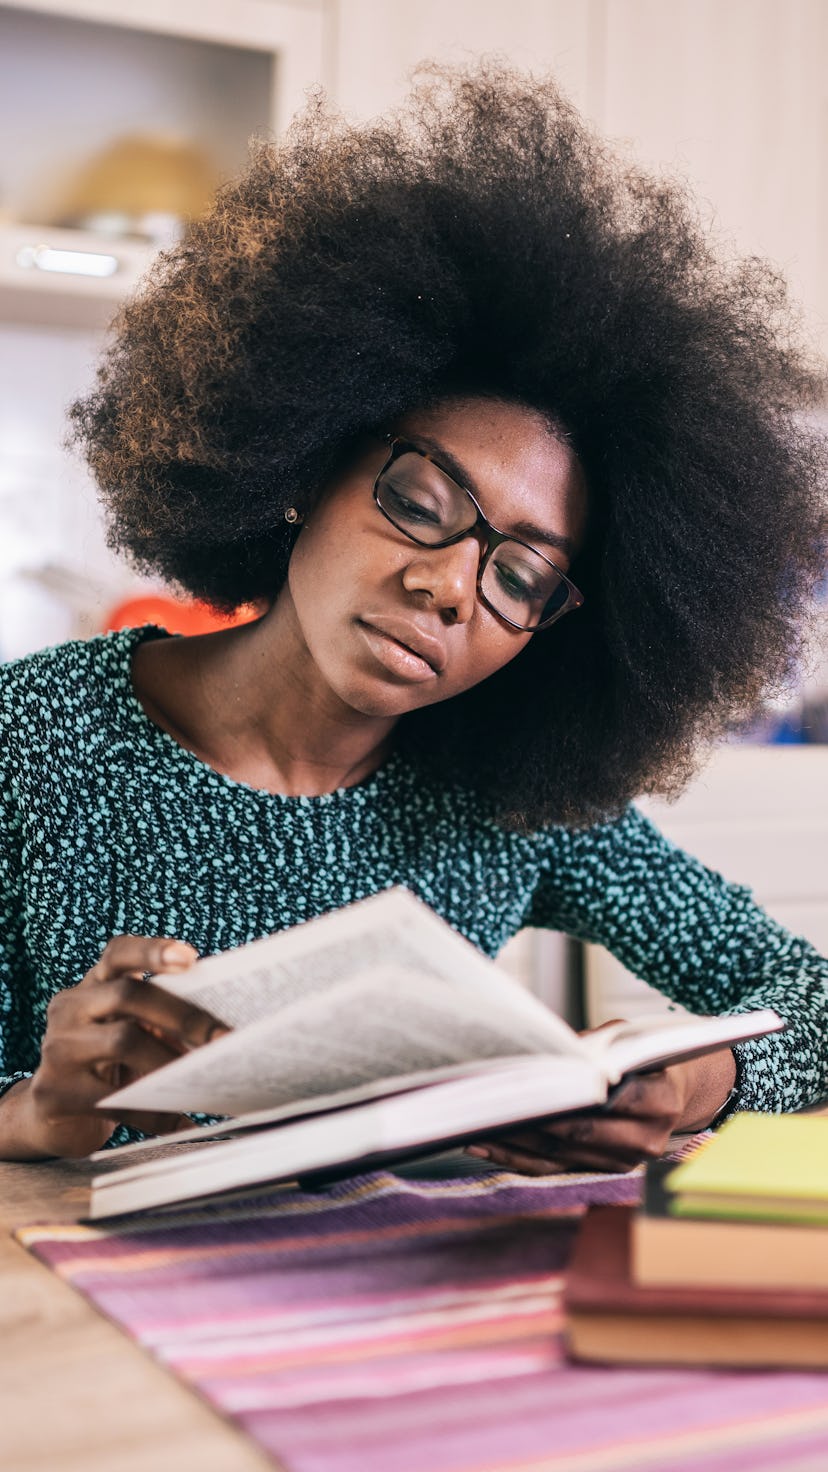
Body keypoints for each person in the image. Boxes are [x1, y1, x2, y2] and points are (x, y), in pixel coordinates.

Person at [1, 66, 826, 1170]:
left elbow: (809, 1001)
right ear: (305, 458)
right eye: (421, 502)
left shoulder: (514, 803)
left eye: (522, 576)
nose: (448, 586)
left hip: (403, 1307)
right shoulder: (32, 737)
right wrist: (29, 1112)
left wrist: (690, 1082)